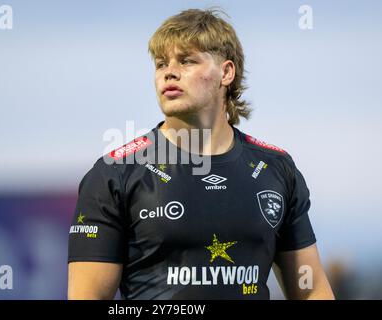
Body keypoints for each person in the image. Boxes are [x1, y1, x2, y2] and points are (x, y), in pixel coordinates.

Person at [68, 8, 334, 300]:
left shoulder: (276, 168)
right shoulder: (115, 173)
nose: (168, 72)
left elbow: (311, 291)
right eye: (160, 64)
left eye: (187, 60)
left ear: (226, 72)